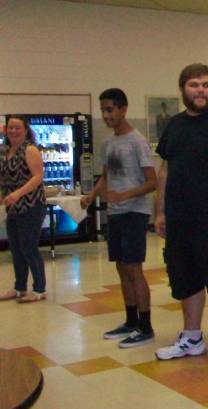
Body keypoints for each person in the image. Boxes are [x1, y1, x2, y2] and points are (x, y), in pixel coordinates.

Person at [154, 64, 208, 370]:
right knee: (185, 278)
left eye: (206, 84)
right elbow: (165, 170)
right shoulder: (174, 125)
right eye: (194, 85)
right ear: (183, 90)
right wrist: (161, 210)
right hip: (181, 220)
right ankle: (192, 337)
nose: (201, 90)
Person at [80, 89, 157, 347]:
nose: (106, 115)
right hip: (114, 214)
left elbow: (152, 182)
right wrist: (91, 196)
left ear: (123, 109)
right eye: (103, 110)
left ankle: (146, 327)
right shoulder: (108, 143)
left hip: (134, 213)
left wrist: (125, 195)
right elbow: (106, 177)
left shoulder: (138, 141)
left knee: (134, 269)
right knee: (121, 268)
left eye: (110, 109)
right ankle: (131, 320)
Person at [0, 115, 47, 303]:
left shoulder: (30, 150)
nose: (13, 131)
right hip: (13, 207)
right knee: (16, 248)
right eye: (10, 127)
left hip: (31, 205)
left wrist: (18, 193)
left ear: (26, 130)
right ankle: (19, 287)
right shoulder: (4, 151)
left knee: (29, 247)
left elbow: (37, 177)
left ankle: (39, 289)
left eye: (17, 128)